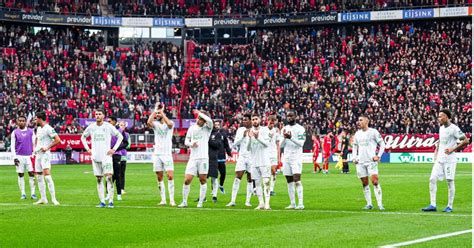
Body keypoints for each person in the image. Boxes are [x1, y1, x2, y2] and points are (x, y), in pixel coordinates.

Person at [422, 109, 469, 213]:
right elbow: (440, 142)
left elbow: (465, 140)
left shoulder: (454, 129)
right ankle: (433, 204)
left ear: (447, 117)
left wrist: (453, 149)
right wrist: (435, 153)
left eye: (441, 116)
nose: (439, 118)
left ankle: (449, 206)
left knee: (450, 181)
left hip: (450, 160)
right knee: (432, 179)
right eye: (438, 117)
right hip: (439, 159)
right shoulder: (441, 128)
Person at [81, 109, 123, 208]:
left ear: (103, 116)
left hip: (106, 157)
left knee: (109, 178)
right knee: (99, 179)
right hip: (95, 157)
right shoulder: (91, 127)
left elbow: (120, 136)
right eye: (96, 114)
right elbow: (83, 137)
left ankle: (111, 201)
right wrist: (88, 149)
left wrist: (113, 149)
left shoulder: (108, 127)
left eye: (100, 114)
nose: (97, 116)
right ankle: (102, 201)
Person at [178, 110, 213, 208]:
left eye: (201, 119)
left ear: (204, 120)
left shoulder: (208, 128)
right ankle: (184, 202)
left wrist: (200, 113)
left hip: (203, 158)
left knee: (202, 180)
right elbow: (186, 141)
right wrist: (191, 144)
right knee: (187, 180)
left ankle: (200, 202)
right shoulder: (192, 128)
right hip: (193, 158)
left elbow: (210, 121)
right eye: (198, 118)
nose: (199, 120)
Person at [352, 115, 386, 210]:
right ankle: (369, 204)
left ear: (367, 121)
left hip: (371, 161)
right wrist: (354, 157)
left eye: (361, 120)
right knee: (364, 183)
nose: (359, 122)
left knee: (375, 181)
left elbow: (382, 144)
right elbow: (354, 146)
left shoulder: (373, 132)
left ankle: (380, 204)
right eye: (358, 120)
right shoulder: (357, 134)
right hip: (360, 162)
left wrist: (378, 156)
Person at [147, 104, 176, 206]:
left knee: (170, 176)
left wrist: (162, 112)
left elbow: (169, 124)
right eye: (157, 114)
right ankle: (163, 199)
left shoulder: (170, 123)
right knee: (159, 177)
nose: (157, 115)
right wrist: (156, 110)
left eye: (159, 114)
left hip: (167, 154)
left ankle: (172, 200)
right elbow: (148, 122)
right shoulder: (156, 124)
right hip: (157, 154)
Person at [33, 112, 61, 206]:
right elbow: (38, 139)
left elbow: (58, 140)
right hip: (38, 155)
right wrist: (35, 149)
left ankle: (54, 199)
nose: (35, 121)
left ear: (40, 119)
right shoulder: (39, 128)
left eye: (36, 119)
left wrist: (47, 147)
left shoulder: (49, 128)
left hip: (45, 155)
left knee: (47, 176)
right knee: (39, 176)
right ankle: (43, 198)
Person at [281, 110, 306, 210]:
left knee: (297, 180)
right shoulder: (284, 128)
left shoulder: (300, 129)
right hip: (286, 157)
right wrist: (284, 138)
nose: (289, 118)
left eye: (291, 116)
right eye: (288, 116)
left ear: (295, 116)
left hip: (296, 157)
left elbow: (301, 144)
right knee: (289, 180)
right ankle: (292, 203)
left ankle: (300, 203)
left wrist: (291, 137)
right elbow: (281, 145)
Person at [226, 113, 253, 207]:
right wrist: (243, 136)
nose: (244, 121)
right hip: (242, 156)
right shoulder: (240, 130)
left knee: (250, 179)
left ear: (250, 120)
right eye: (243, 120)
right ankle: (233, 200)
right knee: (237, 177)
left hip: (252, 157)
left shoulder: (255, 130)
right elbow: (235, 143)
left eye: (246, 120)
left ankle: (248, 201)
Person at [248, 113, 271, 210]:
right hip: (254, 161)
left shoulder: (265, 130)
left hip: (264, 160)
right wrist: (250, 138)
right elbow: (248, 148)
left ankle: (267, 203)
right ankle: (261, 203)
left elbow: (266, 144)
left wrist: (258, 138)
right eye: (253, 119)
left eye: (256, 119)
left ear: (260, 120)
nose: (254, 121)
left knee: (266, 182)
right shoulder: (250, 131)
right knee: (257, 183)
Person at [11, 115, 36, 200]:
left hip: (29, 156)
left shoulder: (31, 131)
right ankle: (23, 193)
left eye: (23, 121)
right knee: (20, 174)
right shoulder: (14, 132)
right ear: (17, 122)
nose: (21, 122)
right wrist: (14, 157)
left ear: (26, 122)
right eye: (20, 121)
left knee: (31, 174)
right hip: (19, 156)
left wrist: (34, 154)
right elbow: (12, 146)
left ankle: (33, 193)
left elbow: (34, 143)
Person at [109, 116, 129, 201]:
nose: (108, 122)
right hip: (107, 155)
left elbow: (126, 143)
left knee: (117, 174)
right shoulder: (106, 129)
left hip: (117, 154)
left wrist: (116, 149)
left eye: (110, 121)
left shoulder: (120, 131)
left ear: (114, 122)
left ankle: (119, 194)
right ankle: (108, 194)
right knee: (108, 175)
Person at [216, 121, 232, 194]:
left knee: (223, 173)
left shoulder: (223, 133)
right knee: (214, 174)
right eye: (215, 124)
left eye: (218, 124)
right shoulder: (210, 133)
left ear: (220, 125)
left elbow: (226, 144)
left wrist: (229, 153)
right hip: (213, 157)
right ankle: (214, 190)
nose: (216, 126)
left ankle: (221, 185)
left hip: (221, 156)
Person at [267, 115, 280, 196]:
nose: (272, 124)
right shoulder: (263, 130)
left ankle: (271, 189)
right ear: (267, 121)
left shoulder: (276, 131)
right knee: (265, 172)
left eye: (273, 122)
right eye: (270, 122)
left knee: (273, 172)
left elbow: (278, 144)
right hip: (265, 154)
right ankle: (264, 188)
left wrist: (279, 157)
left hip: (273, 154)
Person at [119, 121, 130, 194]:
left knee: (122, 173)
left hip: (123, 156)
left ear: (125, 126)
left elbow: (128, 145)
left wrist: (120, 146)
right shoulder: (116, 134)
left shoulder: (127, 135)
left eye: (123, 125)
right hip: (116, 155)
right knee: (114, 173)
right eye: (120, 125)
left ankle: (122, 189)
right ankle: (111, 189)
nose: (121, 127)